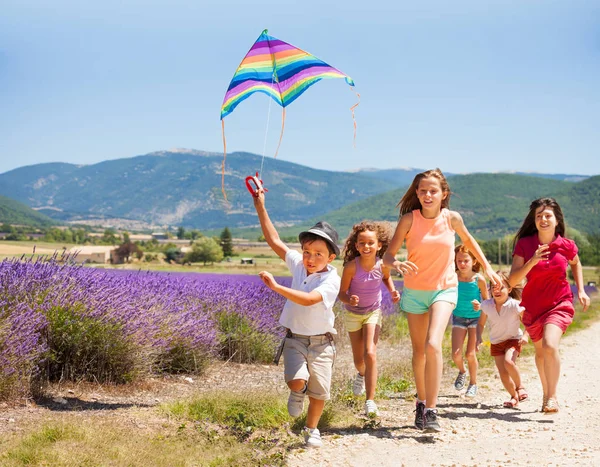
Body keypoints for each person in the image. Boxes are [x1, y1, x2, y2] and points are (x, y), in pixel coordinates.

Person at [383, 168, 501, 432]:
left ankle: (433, 410)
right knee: (419, 352)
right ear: (416, 193)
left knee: (433, 343)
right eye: (423, 190)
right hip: (414, 291)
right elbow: (388, 257)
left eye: (433, 191)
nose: (427, 195)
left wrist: (488, 267)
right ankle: (421, 403)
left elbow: (469, 241)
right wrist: (397, 264)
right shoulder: (408, 220)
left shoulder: (452, 219)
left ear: (443, 194)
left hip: (444, 289)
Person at [251, 188, 341, 448]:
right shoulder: (299, 265)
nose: (310, 259)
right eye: (306, 252)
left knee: (321, 391)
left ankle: (311, 429)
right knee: (297, 380)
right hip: (295, 339)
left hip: (323, 343)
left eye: (318, 254)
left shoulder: (331, 279)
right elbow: (275, 241)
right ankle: (297, 391)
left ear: (331, 257)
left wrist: (277, 288)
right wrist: (260, 206)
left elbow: (310, 299)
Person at [509, 197, 590, 413]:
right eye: (539, 216)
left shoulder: (566, 245)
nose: (543, 219)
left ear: (556, 220)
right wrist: (532, 261)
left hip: (559, 303)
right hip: (533, 308)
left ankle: (552, 396)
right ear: (534, 220)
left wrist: (581, 290)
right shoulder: (525, 245)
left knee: (550, 345)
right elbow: (513, 281)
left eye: (548, 216)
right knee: (540, 352)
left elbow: (576, 263)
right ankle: (546, 395)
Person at [338, 221, 400, 418]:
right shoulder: (350, 267)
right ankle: (361, 374)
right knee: (359, 360)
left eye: (370, 243)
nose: (366, 247)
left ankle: (370, 401)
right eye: (362, 243)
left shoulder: (383, 265)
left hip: (373, 311)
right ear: (356, 246)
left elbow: (385, 277)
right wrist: (350, 299)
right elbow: (341, 293)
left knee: (370, 353)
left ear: (379, 245)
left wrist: (392, 291)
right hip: (353, 314)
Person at [477, 272, 529, 408]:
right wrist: (478, 337)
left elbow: (529, 322)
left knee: (508, 362)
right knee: (503, 374)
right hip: (496, 342)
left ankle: (520, 387)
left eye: (501, 287)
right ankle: (514, 396)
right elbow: (481, 324)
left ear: (509, 289)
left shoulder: (515, 305)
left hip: (513, 339)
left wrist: (525, 336)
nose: (497, 290)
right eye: (493, 286)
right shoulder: (487, 305)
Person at [451, 245, 489, 398]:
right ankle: (462, 371)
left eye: (466, 260)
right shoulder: (453, 277)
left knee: (470, 354)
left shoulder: (479, 279)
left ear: (474, 261)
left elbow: (487, 302)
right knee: (456, 355)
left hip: (475, 319)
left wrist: (480, 307)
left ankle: (473, 384)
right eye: (459, 261)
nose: (462, 264)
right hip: (458, 317)